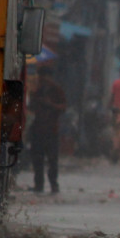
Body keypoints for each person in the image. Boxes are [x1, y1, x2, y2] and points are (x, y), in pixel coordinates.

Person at [27, 66, 67, 194]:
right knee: (37, 159)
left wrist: (50, 104)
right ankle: (39, 185)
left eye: (43, 76)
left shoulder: (56, 90)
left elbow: (63, 107)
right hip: (37, 129)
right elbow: (30, 107)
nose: (42, 79)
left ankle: (53, 185)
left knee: (52, 160)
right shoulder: (36, 90)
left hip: (51, 130)